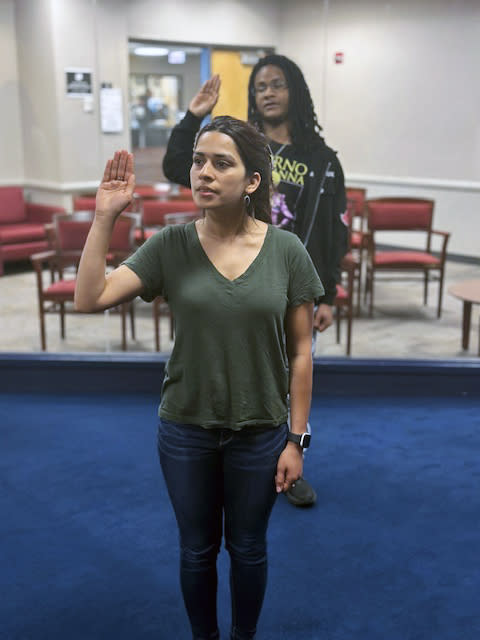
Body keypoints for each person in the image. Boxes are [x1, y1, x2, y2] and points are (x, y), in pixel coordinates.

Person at [74, 116, 324, 640]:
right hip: (186, 428)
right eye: (198, 161)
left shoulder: (287, 251)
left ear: (252, 181)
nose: (203, 173)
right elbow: (89, 298)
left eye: (221, 163)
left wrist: (296, 440)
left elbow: (301, 352)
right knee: (196, 548)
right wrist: (104, 219)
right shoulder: (171, 245)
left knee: (249, 547)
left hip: (260, 431)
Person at [162, 54, 349, 507]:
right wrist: (193, 116)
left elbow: (334, 229)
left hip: (296, 286)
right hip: (240, 278)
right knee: (245, 375)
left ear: (295, 92)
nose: (267, 92)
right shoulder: (239, 149)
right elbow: (175, 168)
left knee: (296, 372)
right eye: (260, 86)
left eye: (277, 84)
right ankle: (238, 459)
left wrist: (328, 291)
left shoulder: (321, 159)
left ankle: (291, 458)